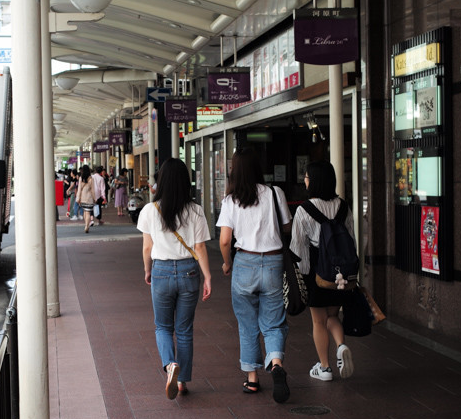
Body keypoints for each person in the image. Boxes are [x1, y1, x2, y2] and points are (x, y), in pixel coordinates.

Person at [216, 148, 292, 403]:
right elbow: (287, 227)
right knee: (273, 322)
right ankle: (276, 363)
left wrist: (227, 264)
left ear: (234, 171)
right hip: (273, 261)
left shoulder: (230, 201)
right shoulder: (274, 193)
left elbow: (225, 241)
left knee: (247, 324)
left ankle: (252, 380)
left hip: (244, 262)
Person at [138, 158, 212, 399]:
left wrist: (148, 270)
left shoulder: (150, 210)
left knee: (162, 326)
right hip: (189, 271)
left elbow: (147, 248)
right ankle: (181, 383)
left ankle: (170, 365)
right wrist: (208, 276)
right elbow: (199, 247)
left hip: (161, 271)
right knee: (184, 330)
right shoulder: (196, 210)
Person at [289, 161, 356, 381]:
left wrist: (303, 274)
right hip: (340, 272)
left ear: (314, 180)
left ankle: (325, 368)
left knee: (318, 321)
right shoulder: (344, 207)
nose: (305, 180)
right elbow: (352, 240)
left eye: (306, 176)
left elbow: (297, 247)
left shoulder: (304, 209)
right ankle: (341, 345)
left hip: (316, 270)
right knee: (333, 315)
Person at [76, 164, 96, 232]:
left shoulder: (81, 178)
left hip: (82, 198)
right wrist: (94, 198)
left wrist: (78, 198)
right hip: (89, 198)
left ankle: (86, 225)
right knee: (88, 212)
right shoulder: (91, 178)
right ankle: (87, 226)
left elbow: (79, 189)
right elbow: (92, 190)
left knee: (85, 211)